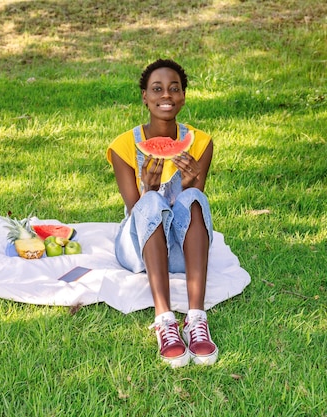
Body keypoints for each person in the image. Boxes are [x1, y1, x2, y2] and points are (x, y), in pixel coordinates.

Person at [106, 59, 218, 367]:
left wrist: (193, 179)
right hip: (138, 251)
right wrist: (150, 188)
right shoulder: (123, 146)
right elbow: (135, 210)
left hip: (180, 252)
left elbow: (192, 208)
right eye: (157, 89)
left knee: (194, 194)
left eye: (174, 88)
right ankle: (164, 320)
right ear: (145, 96)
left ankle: (196, 319)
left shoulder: (201, 143)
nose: (165, 95)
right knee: (152, 202)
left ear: (183, 96)